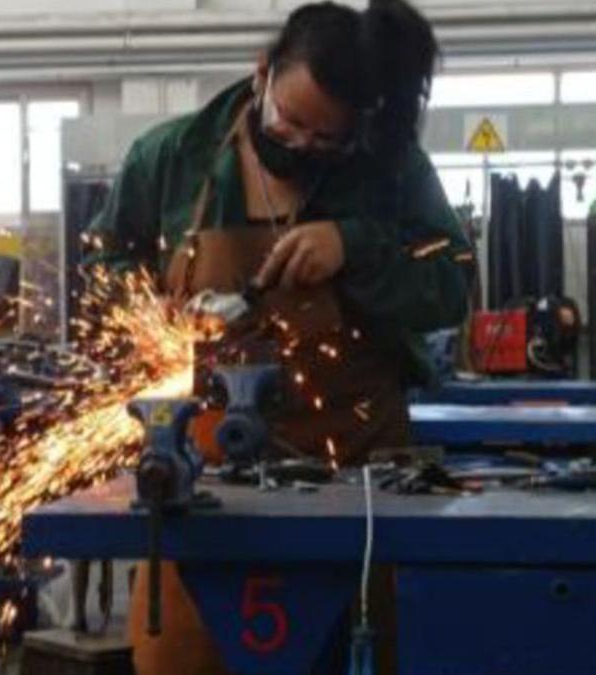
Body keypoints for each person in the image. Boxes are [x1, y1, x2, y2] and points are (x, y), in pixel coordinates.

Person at [84, 1, 473, 672]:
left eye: (326, 141)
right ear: (261, 74)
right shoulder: (175, 156)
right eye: (288, 122)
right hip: (201, 485)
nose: (299, 145)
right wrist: (158, 318)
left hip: (356, 481)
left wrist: (355, 244)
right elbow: (103, 270)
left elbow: (452, 282)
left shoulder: (390, 167)